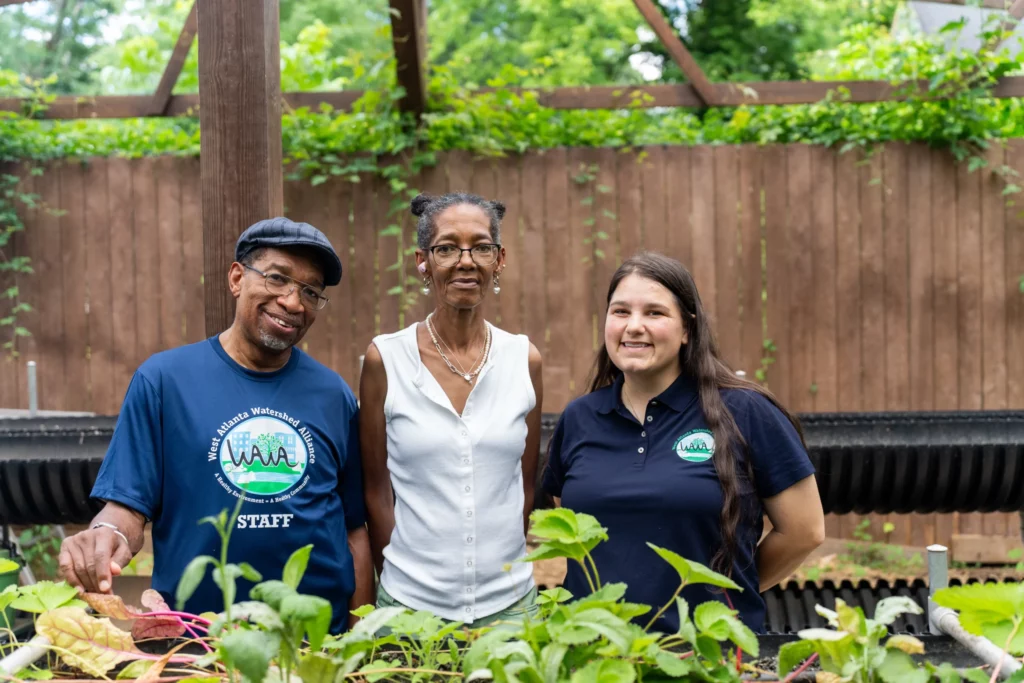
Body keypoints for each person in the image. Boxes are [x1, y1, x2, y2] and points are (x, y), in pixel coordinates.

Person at [59, 217, 374, 633]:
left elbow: (354, 530)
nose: (294, 302)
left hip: (315, 643)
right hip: (198, 641)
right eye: (278, 278)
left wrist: (360, 642)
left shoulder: (333, 395)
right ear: (237, 278)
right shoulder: (164, 381)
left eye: (311, 292)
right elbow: (126, 506)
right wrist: (105, 534)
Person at [542, 251, 824, 633]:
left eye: (655, 313)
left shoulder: (745, 412)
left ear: (688, 329)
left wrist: (726, 593)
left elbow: (805, 531)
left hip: (707, 654)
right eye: (620, 311)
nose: (634, 326)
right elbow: (571, 526)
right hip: (595, 657)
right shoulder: (580, 419)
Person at [360, 192, 543, 627]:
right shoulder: (385, 360)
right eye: (447, 248)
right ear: (423, 261)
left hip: (511, 608)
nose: (466, 261)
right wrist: (400, 582)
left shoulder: (523, 360)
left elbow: (525, 486)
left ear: (499, 260)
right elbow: (376, 489)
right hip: (409, 605)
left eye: (481, 247)